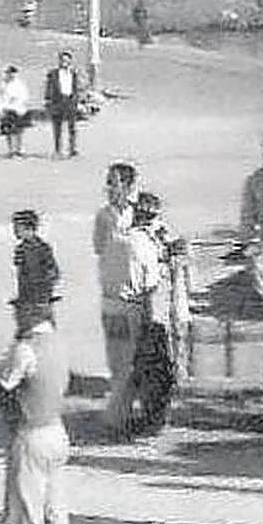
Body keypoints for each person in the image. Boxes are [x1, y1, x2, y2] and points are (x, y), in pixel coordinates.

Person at [0, 289, 70, 524]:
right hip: (57, 430)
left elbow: (3, 382)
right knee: (56, 507)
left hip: (31, 434)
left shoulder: (25, 349)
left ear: (30, 313)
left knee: (29, 509)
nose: (16, 316)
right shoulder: (59, 343)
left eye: (19, 311)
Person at [93, 161, 140, 438]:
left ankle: (121, 415)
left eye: (115, 182)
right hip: (111, 295)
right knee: (116, 356)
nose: (110, 188)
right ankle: (120, 412)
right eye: (109, 182)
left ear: (129, 186)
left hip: (135, 298)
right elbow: (99, 248)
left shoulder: (140, 213)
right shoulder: (103, 215)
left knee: (133, 356)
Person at [125, 192, 178, 436]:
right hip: (155, 307)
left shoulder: (137, 239)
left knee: (146, 365)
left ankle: (150, 419)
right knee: (155, 365)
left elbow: (143, 280)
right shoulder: (150, 237)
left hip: (144, 307)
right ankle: (153, 418)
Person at [11, 210, 60, 307]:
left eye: (18, 229)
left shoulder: (43, 248)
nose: (15, 232)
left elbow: (52, 271)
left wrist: (46, 291)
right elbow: (20, 274)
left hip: (41, 293)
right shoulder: (20, 249)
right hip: (26, 293)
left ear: (30, 229)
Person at [44, 51, 81, 158]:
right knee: (57, 127)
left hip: (70, 101)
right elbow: (48, 87)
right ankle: (58, 149)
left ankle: (72, 149)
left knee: (72, 127)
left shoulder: (73, 73)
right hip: (58, 101)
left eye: (66, 60)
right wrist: (48, 100)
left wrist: (77, 100)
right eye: (62, 60)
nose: (64, 62)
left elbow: (76, 88)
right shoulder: (53, 73)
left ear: (70, 61)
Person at [0, 66, 31, 158]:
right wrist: (1, 108)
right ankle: (11, 150)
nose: (8, 75)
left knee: (17, 131)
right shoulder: (3, 84)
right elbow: (0, 97)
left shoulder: (19, 85)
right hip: (6, 109)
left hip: (17, 110)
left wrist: (18, 106)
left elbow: (23, 97)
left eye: (10, 73)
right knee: (7, 131)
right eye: (7, 73)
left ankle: (19, 150)